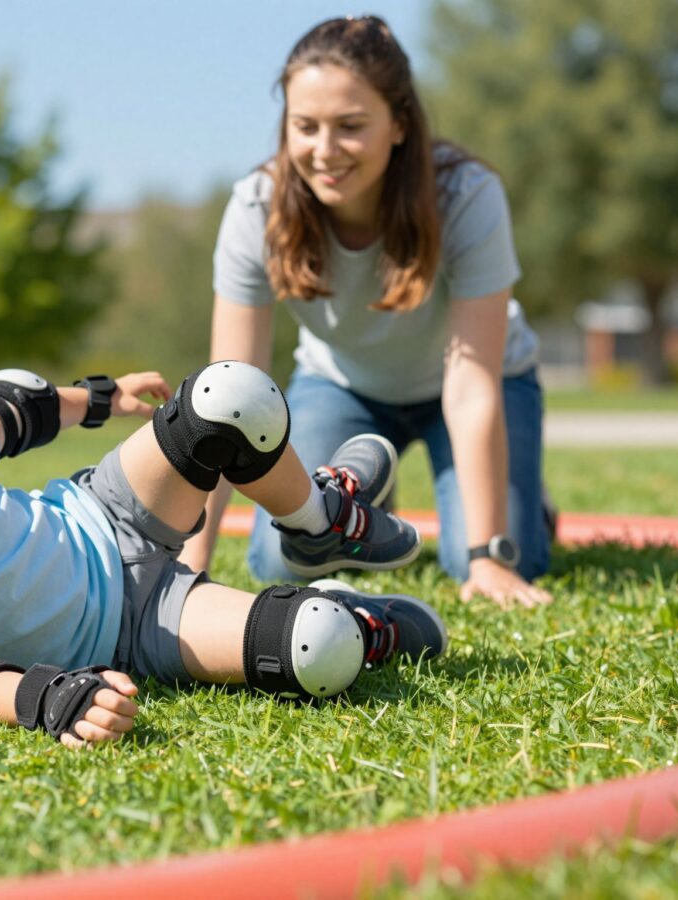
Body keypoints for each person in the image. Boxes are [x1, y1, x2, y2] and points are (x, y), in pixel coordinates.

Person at [0, 341, 447, 749]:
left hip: (107, 509)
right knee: (319, 646)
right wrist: (48, 699)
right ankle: (355, 617)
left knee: (230, 395)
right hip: (140, 625)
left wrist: (104, 399)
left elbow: (11, 407)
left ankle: (321, 523)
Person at [180, 15, 553, 609]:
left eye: (350, 127)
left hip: (474, 384)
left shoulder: (468, 196)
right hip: (342, 388)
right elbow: (227, 398)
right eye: (305, 127)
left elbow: (471, 385)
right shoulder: (256, 208)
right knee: (282, 558)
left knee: (492, 559)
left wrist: (487, 557)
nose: (324, 151)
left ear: (400, 123)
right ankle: (373, 502)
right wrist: (189, 561)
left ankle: (524, 500)